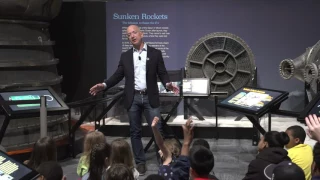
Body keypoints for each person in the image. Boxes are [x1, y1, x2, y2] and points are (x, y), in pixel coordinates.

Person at [89, 24, 179, 175]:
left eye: (134, 32)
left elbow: (162, 73)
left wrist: (168, 84)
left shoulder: (155, 53)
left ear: (141, 34)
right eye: (129, 34)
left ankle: (163, 159)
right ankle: (140, 162)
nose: (132, 36)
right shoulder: (125, 56)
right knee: (135, 131)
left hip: (150, 97)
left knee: (157, 129)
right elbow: (118, 75)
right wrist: (104, 85)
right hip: (133, 97)